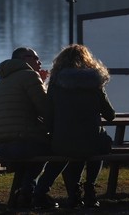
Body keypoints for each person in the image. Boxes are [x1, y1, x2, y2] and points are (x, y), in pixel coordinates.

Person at [0, 46, 64, 209]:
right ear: (23, 60)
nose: (39, 61)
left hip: (1, 145)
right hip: (21, 142)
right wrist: (43, 85)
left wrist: (40, 82)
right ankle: (37, 193)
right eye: (35, 58)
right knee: (62, 150)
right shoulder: (29, 75)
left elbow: (25, 105)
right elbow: (45, 110)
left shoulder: (4, 78)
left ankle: (24, 192)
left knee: (38, 149)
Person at [47, 44, 116, 208]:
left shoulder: (55, 84)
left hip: (62, 142)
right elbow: (110, 115)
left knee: (72, 147)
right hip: (91, 142)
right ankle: (90, 187)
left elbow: (49, 116)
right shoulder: (94, 82)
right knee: (99, 143)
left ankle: (74, 193)